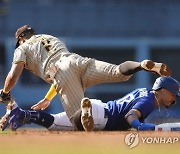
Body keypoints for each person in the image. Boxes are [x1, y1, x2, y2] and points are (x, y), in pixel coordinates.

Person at [0, 25, 171, 131]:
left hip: (62, 73)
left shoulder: (22, 48)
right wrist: (47, 98)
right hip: (78, 61)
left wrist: (5, 91)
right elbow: (61, 67)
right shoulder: (49, 37)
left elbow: (14, 74)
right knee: (119, 72)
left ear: (21, 39)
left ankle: (84, 110)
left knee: (77, 121)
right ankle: (141, 65)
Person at [1, 76, 179, 131]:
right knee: (56, 124)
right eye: (173, 93)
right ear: (162, 89)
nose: (175, 98)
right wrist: (140, 127)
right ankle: (86, 115)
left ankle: (20, 113)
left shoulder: (144, 91)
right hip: (103, 117)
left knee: (54, 122)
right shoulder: (150, 101)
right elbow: (130, 115)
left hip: (98, 107)